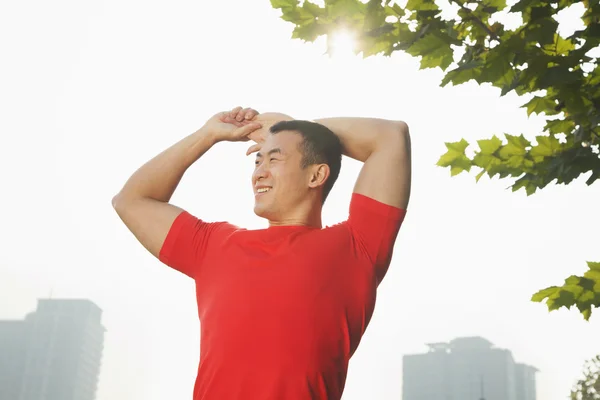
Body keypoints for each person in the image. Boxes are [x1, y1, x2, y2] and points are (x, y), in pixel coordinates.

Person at [112, 106, 411, 400]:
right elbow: (132, 200)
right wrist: (206, 136)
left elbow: (390, 136)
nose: (259, 173)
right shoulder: (213, 245)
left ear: (316, 175)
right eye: (257, 162)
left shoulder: (356, 248)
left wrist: (294, 126)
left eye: (274, 159)